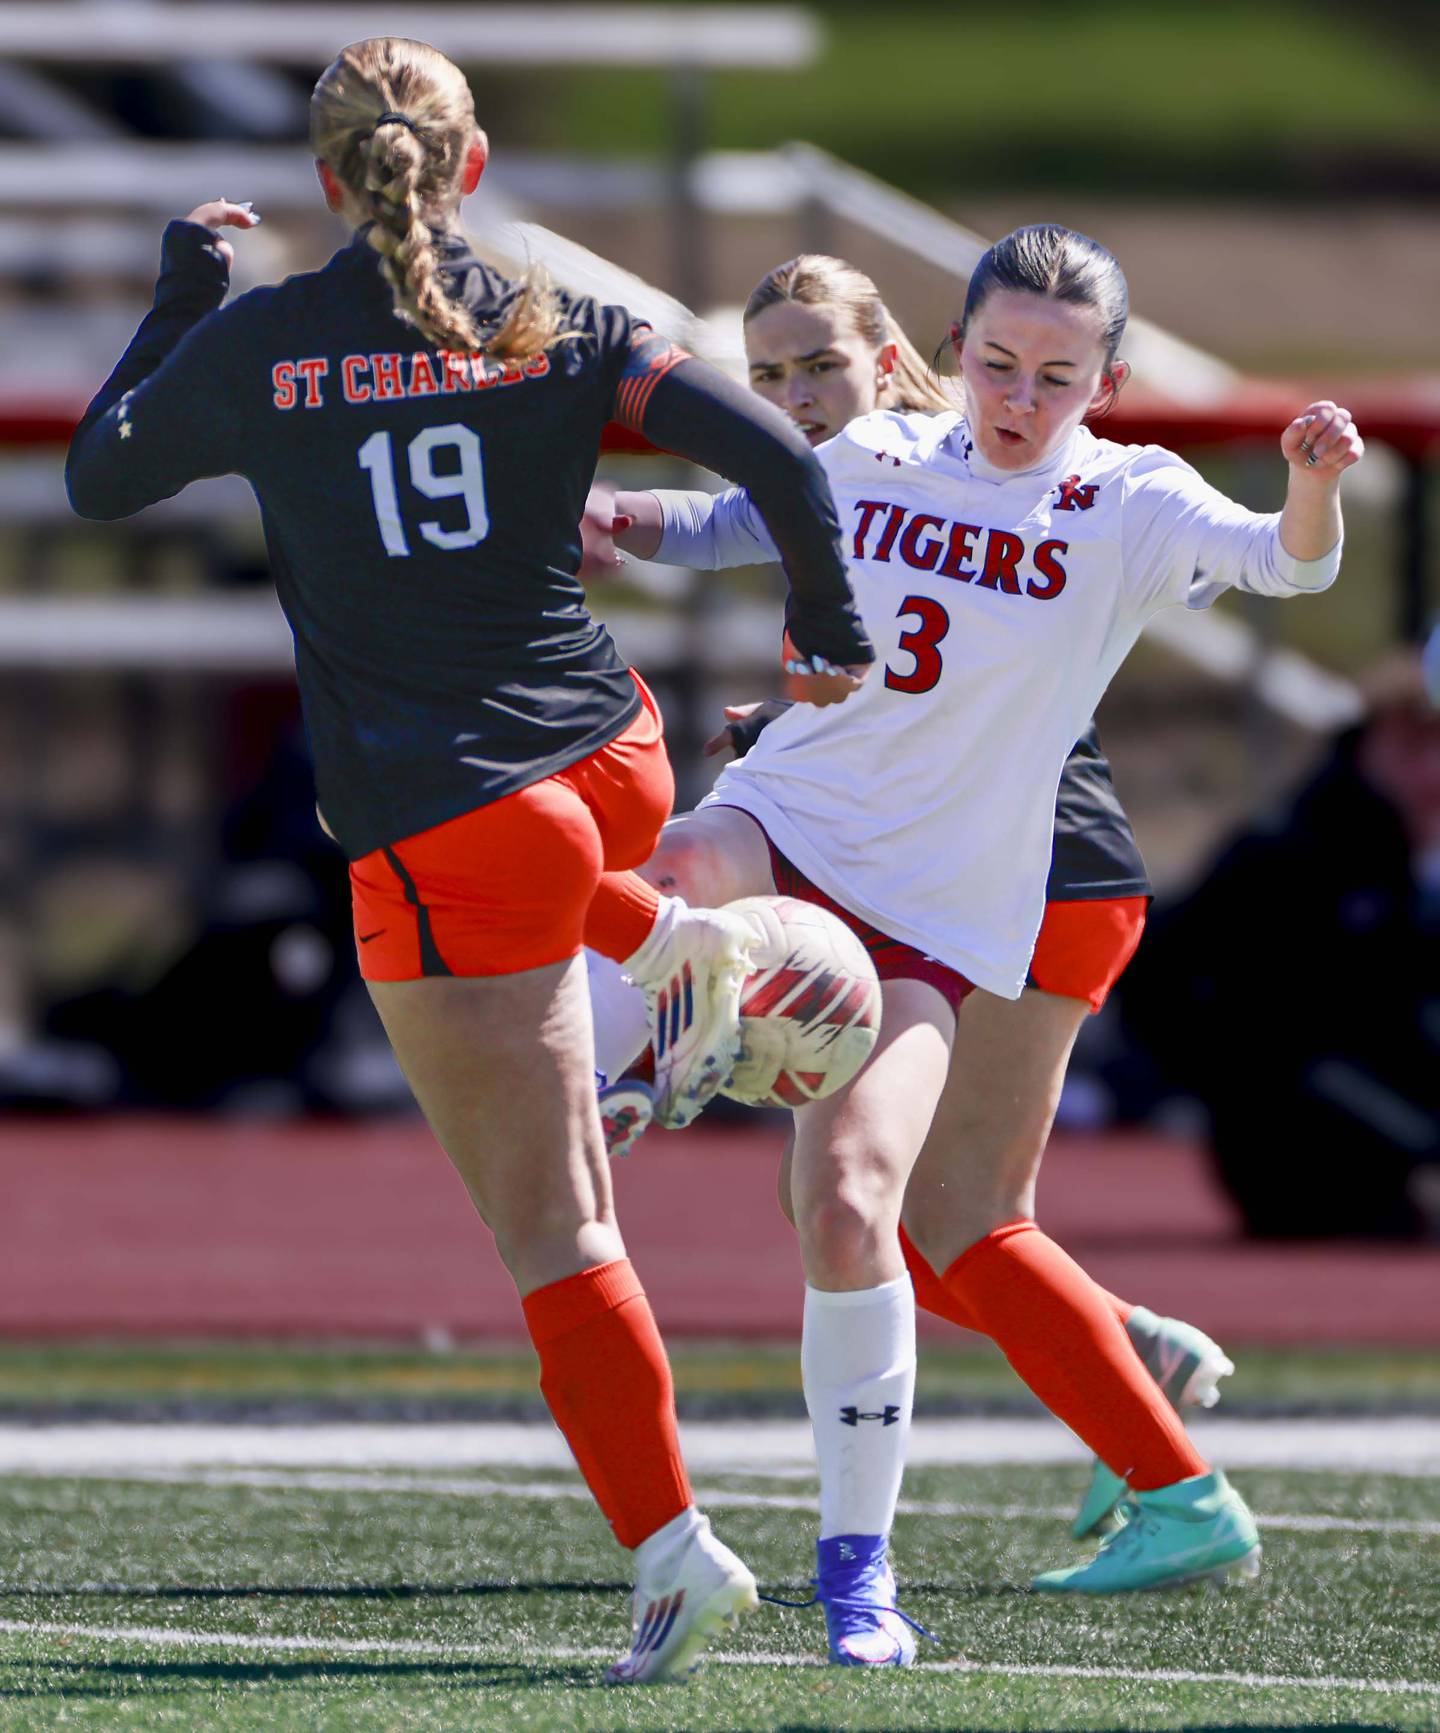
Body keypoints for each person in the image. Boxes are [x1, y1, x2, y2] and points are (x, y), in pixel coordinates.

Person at [64, 36, 874, 1685]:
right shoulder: (553, 316)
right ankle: (663, 949)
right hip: (614, 755)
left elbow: (100, 472)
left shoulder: (265, 341)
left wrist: (181, 296)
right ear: (473, 162)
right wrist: (832, 635)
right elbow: (785, 462)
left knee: (556, 1227)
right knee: (570, 1054)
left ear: (325, 178)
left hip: (458, 817)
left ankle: (672, 1550)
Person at [581, 229, 1361, 1652]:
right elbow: (729, 519)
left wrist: (1311, 489)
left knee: (855, 1206)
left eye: (1057, 376)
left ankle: (856, 1574)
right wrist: (619, 517)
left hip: (941, 909)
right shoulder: (877, 451)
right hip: (793, 815)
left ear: (1108, 382)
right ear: (951, 353)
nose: (1018, 396)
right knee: (676, 859)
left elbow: (1289, 569)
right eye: (996, 362)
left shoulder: (1130, 499)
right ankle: (617, 1075)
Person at [1121, 647, 1439, 1239]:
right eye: (1412, 743)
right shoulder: (1284, 854)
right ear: (1368, 740)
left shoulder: (1420, 860)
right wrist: (1234, 1083)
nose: (1432, 769)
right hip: (1300, 1162)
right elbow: (1151, 974)